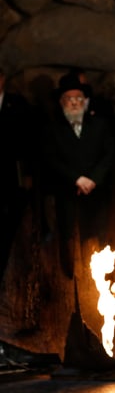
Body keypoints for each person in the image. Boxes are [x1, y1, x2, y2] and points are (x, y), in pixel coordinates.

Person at [43, 73, 114, 277]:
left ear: (85, 101)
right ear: (61, 102)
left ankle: (102, 286)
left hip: (97, 195)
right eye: (69, 98)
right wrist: (77, 179)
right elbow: (51, 159)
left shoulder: (100, 125)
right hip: (68, 196)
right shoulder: (52, 130)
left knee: (100, 241)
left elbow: (109, 154)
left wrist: (93, 179)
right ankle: (72, 283)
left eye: (78, 98)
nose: (74, 103)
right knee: (70, 244)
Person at [0, 67, 34, 273]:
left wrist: (27, 173)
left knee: (10, 226)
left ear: (2, 79)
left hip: (11, 174)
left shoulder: (17, 104)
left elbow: (28, 141)